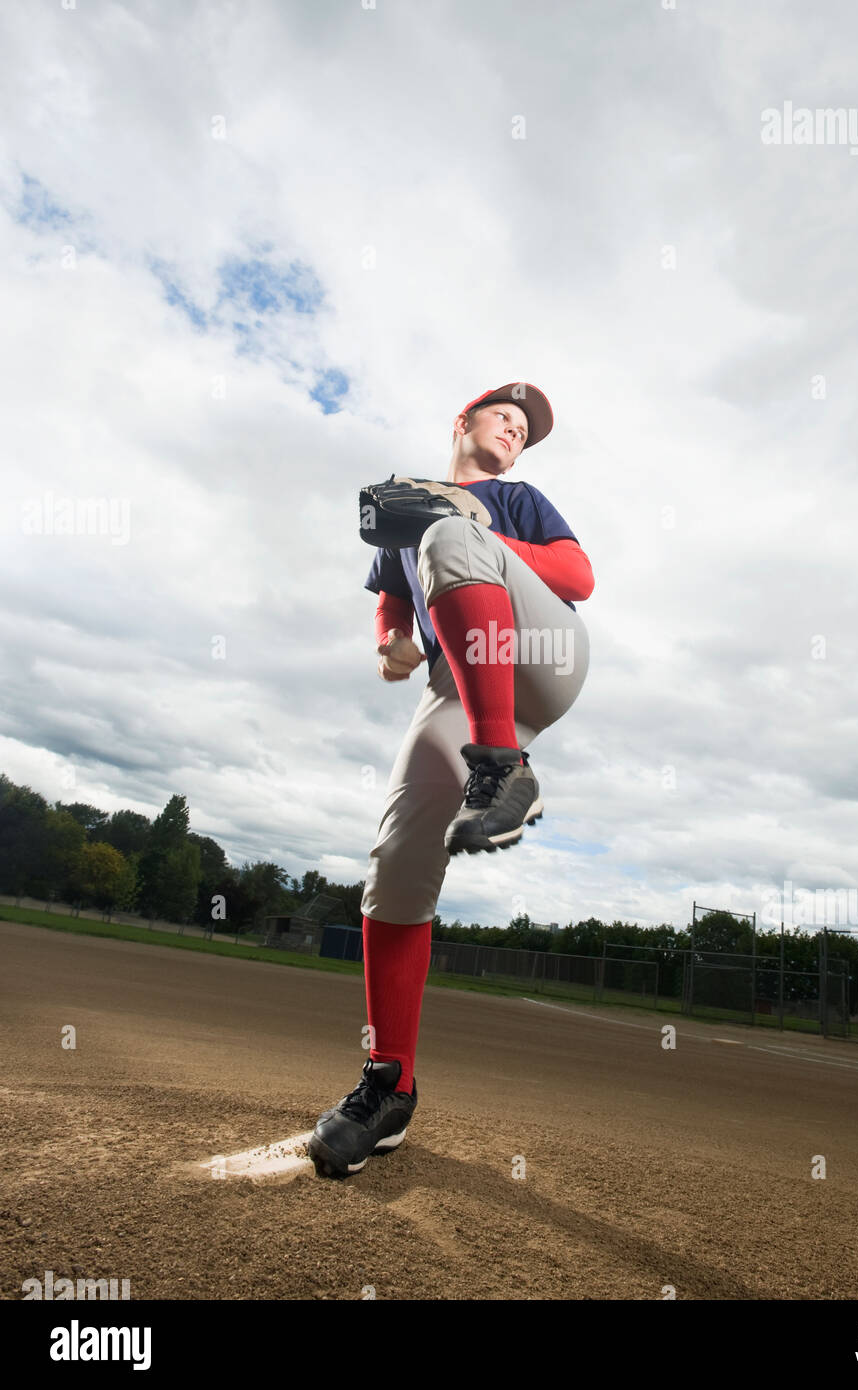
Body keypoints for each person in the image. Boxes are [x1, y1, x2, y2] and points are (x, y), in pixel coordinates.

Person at [308, 382, 594, 1177]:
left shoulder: (516, 498)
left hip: (544, 654)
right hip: (459, 682)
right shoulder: (410, 507)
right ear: (462, 422)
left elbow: (577, 577)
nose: (515, 430)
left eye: (524, 427)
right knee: (396, 865)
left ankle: (505, 767)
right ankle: (388, 1085)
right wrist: (391, 644)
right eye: (503, 417)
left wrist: (475, 528)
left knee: (451, 540)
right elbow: (393, 603)